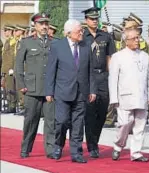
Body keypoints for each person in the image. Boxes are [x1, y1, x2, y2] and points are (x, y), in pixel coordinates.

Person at [45, 19, 97, 163]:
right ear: (69, 33)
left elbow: (90, 70)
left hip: (81, 92)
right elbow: (51, 70)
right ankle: (58, 146)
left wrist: (92, 90)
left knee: (78, 124)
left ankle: (76, 152)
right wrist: (49, 91)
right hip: (62, 91)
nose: (82, 32)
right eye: (79, 30)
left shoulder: (86, 46)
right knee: (61, 122)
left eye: (82, 30)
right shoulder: (57, 46)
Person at [109, 28, 149, 162]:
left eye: (138, 38)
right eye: (134, 38)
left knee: (140, 124)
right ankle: (118, 146)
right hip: (125, 96)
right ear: (126, 41)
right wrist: (114, 98)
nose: (137, 41)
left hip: (141, 96)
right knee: (125, 123)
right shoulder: (118, 56)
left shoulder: (145, 56)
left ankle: (136, 152)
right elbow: (113, 79)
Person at [15, 13, 56, 159]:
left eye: (46, 23)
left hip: (50, 89)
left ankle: (50, 150)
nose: (45, 26)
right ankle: (25, 148)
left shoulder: (54, 42)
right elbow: (18, 64)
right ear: (35, 25)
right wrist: (21, 84)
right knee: (31, 121)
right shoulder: (26, 42)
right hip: (32, 89)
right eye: (41, 24)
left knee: (51, 122)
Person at [82, 7, 116, 158]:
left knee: (102, 113)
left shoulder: (106, 36)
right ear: (86, 21)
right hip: (89, 78)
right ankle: (92, 145)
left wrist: (111, 77)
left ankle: (95, 140)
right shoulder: (82, 36)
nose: (94, 21)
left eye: (96, 19)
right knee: (89, 113)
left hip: (103, 77)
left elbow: (110, 57)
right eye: (91, 19)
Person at [1, 24, 16, 113]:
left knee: (11, 88)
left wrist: (11, 68)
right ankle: (9, 104)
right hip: (5, 69)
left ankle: (12, 106)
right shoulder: (7, 41)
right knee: (7, 88)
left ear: (10, 31)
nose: (5, 32)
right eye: (4, 30)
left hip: (10, 69)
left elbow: (12, 57)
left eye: (6, 30)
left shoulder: (12, 41)